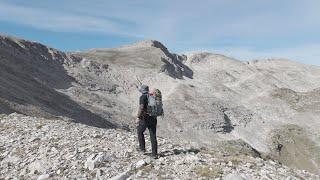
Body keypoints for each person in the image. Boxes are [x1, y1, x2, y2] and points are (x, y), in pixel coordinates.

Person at [136, 85, 158, 159]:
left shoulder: (143, 97)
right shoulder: (152, 96)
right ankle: (154, 154)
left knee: (139, 131)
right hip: (153, 118)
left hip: (145, 118)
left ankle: (142, 149)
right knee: (153, 135)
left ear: (142, 90)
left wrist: (138, 117)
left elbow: (141, 107)